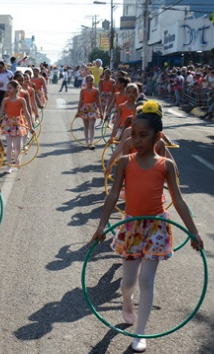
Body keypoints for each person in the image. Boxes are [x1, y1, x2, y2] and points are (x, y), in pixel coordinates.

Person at [90, 102, 202, 353]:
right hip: (131, 227)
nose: (137, 140)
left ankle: (140, 332)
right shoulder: (125, 163)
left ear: (158, 137)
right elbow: (112, 196)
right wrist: (101, 226)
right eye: (134, 135)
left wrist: (193, 231)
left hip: (156, 228)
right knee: (127, 282)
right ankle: (127, 301)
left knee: (146, 281)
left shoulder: (166, 165)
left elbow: (179, 200)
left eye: (144, 135)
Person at [0, 80, 34, 173]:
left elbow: (27, 113)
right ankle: (9, 166)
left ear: (16, 89)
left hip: (18, 123)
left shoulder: (21, 100)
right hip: (8, 123)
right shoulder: (5, 100)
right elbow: (1, 112)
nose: (8, 90)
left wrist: (30, 126)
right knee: (9, 146)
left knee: (17, 146)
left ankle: (17, 158)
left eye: (10, 88)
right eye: (7, 88)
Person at [77, 75, 102, 149]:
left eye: (91, 80)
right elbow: (80, 101)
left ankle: (91, 142)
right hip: (85, 108)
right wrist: (78, 111)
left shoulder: (96, 90)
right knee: (86, 126)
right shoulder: (83, 90)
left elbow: (98, 102)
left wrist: (101, 112)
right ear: (86, 81)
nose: (89, 82)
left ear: (93, 81)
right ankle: (86, 142)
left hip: (93, 108)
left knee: (92, 126)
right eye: (88, 80)